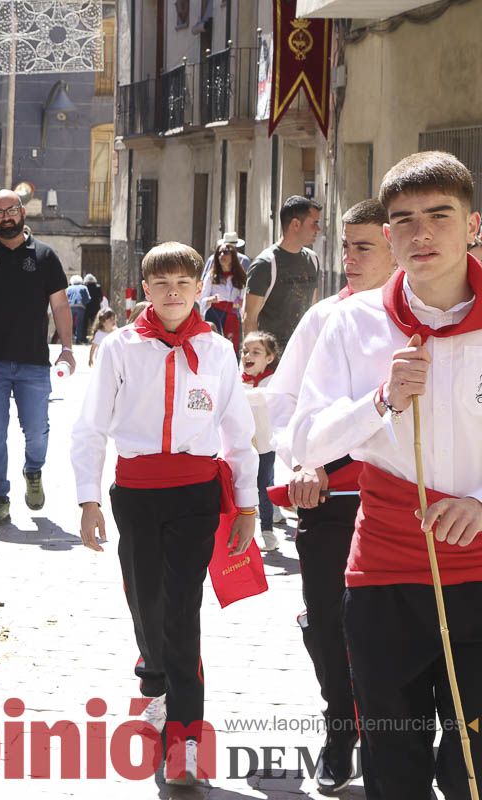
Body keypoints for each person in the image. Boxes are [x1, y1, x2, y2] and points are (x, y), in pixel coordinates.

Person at [290, 151, 482, 799]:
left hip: (480, 573)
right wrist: (381, 401)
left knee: (472, 766)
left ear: (474, 225)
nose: (421, 234)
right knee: (393, 762)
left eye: (440, 215)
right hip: (385, 575)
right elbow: (308, 439)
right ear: (389, 234)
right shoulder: (350, 321)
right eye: (404, 221)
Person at [72, 241, 258, 787]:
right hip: (136, 494)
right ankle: (153, 673)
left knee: (181, 613)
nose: (174, 293)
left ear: (199, 288)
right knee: (144, 602)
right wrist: (88, 500)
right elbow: (91, 426)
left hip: (196, 497)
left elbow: (239, 432)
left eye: (184, 283)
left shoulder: (220, 351)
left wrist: (246, 504)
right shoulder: (121, 348)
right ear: (144, 291)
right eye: (162, 284)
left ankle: (185, 741)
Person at [265, 196, 396, 795]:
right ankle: (340, 730)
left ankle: (397, 738)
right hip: (330, 501)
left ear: (398, 248)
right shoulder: (321, 320)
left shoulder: (430, 319)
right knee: (325, 624)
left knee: (394, 627)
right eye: (344, 245)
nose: (348, 258)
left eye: (363, 246)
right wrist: (304, 463)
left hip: (403, 505)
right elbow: (284, 403)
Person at [0, 190, 75, 527]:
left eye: (11, 211)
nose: (6, 217)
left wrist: (67, 349)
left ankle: (33, 470)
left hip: (33, 362)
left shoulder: (45, 256)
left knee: (37, 431)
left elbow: (61, 305)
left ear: (22, 213)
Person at [244, 196, 323, 349]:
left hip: (302, 353)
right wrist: (255, 364)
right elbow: (249, 319)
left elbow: (313, 308)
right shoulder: (265, 264)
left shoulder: (313, 260)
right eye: (314, 223)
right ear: (295, 224)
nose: (318, 229)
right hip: (271, 360)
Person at [240, 330, 281, 552]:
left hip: (265, 444)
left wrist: (232, 392)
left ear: (269, 358)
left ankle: (267, 532)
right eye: (245, 350)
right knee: (241, 485)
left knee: (263, 486)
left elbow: (261, 398)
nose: (248, 355)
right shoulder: (239, 380)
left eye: (256, 351)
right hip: (242, 446)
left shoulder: (272, 381)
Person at [199, 237, 248, 349]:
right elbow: (202, 298)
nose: (222, 255)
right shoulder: (212, 276)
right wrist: (211, 299)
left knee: (230, 345)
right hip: (214, 313)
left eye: (226, 252)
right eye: (219, 253)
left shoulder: (240, 277)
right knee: (213, 345)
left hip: (232, 314)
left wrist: (241, 302)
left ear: (233, 256)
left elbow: (244, 297)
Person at [66, 275, 92, 344]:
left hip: (70, 306)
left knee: (69, 323)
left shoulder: (69, 288)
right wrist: (84, 303)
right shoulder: (84, 287)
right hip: (80, 306)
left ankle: (69, 339)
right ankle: (78, 340)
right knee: (79, 324)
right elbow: (88, 298)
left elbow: (66, 298)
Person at [82, 272, 104, 337]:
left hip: (87, 307)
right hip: (96, 307)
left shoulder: (85, 287)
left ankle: (83, 337)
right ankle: (96, 336)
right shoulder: (98, 287)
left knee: (85, 323)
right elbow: (101, 298)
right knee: (95, 323)